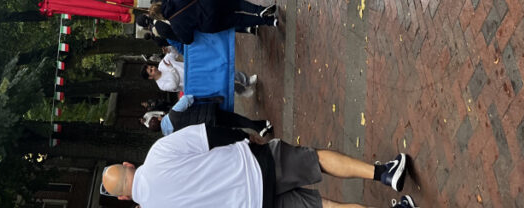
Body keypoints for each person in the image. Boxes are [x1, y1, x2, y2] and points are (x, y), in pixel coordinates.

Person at [101, 123, 419, 208]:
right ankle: (384, 173)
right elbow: (209, 133)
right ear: (129, 164)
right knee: (317, 160)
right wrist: (247, 136)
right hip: (255, 166)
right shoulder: (158, 153)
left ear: (124, 199)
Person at [146, 0, 277, 44]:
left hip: (209, 24)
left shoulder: (175, 24)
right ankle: (260, 10)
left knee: (239, 20)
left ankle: (270, 21)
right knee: (238, 4)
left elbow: (187, 40)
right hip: (209, 3)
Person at [142, 94, 272, 138]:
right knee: (236, 120)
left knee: (234, 125)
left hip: (208, 128)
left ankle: (262, 124)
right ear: (159, 118)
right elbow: (188, 99)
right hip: (209, 113)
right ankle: (259, 128)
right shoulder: (173, 113)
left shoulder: (172, 136)